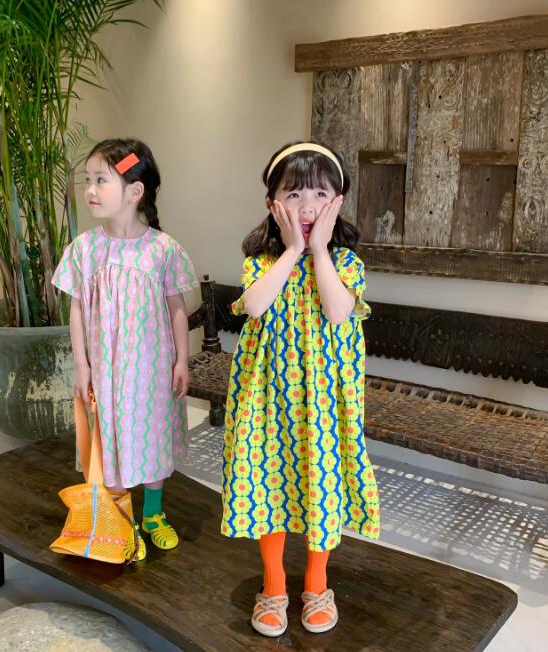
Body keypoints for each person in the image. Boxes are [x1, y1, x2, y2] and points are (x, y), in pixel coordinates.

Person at [221, 141, 380, 635]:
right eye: (293, 194)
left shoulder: (345, 262)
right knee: (267, 481)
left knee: (320, 485)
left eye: (319, 194)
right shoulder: (262, 261)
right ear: (273, 204)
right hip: (267, 399)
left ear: (338, 202)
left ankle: (316, 583)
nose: (307, 206)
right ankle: (273, 585)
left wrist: (318, 249)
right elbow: (254, 306)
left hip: (325, 402)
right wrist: (293, 250)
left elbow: (337, 310)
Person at [53, 138, 198, 560]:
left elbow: (177, 309)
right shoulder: (84, 250)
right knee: (111, 440)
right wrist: (81, 364)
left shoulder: (163, 249)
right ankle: (123, 520)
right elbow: (76, 309)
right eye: (88, 180)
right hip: (106, 373)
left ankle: (152, 514)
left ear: (135, 192)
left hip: (151, 372)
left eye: (101, 180)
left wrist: (182, 359)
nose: (90, 190)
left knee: (153, 441)